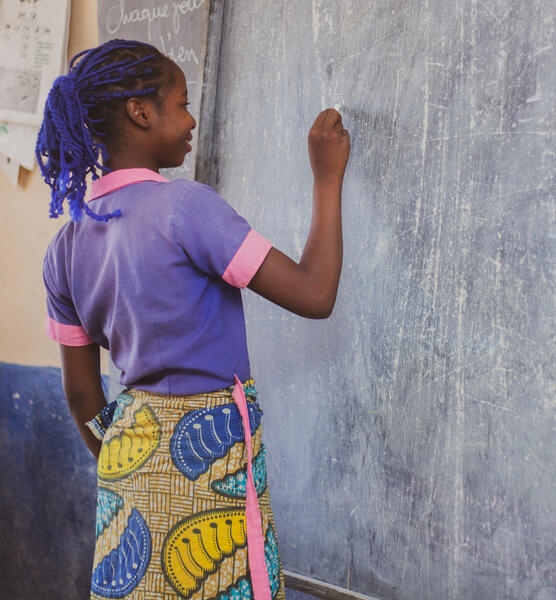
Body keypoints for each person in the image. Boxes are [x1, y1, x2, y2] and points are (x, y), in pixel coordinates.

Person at [36, 39, 349, 600]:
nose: (191, 119)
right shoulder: (187, 208)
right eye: (181, 103)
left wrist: (133, 460)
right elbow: (314, 292)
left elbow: (82, 396)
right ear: (140, 111)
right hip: (212, 463)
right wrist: (327, 178)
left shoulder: (65, 248)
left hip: (128, 464)